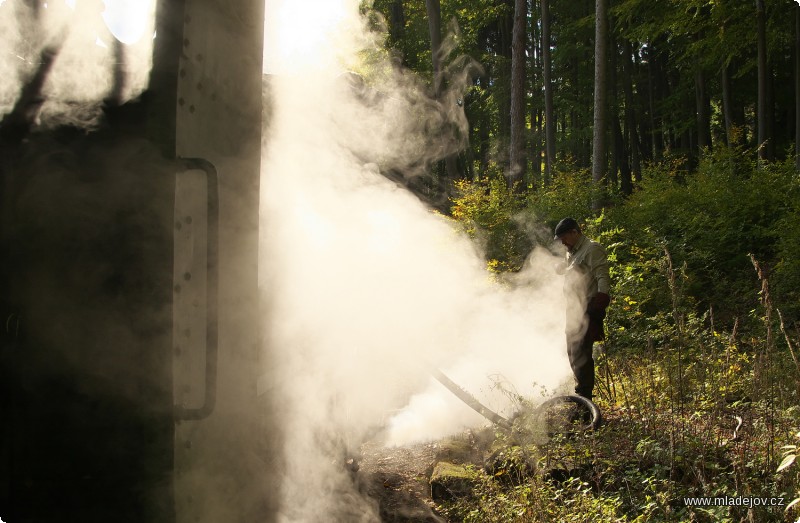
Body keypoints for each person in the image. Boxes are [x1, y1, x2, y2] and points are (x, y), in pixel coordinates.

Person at [553, 217, 610, 401]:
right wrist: (563, 268)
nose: (562, 242)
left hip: (587, 307)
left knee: (581, 352)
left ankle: (584, 400)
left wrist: (602, 298)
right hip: (574, 308)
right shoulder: (572, 250)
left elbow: (602, 275)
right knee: (572, 351)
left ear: (575, 232)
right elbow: (575, 270)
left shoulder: (592, 248)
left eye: (564, 237)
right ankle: (582, 396)